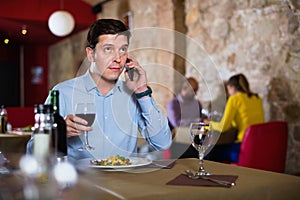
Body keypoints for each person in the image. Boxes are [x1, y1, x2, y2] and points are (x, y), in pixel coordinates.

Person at [27, 19, 172, 163]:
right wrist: (57, 134)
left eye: (122, 49)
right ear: (91, 54)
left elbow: (163, 143)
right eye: (108, 49)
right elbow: (33, 153)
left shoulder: (134, 95)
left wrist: (142, 91)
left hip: (123, 183)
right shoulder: (62, 93)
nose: (117, 59)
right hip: (78, 183)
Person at [207, 73, 265, 162]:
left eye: (228, 90)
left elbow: (223, 127)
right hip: (259, 146)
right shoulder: (257, 98)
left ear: (232, 88)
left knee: (210, 152)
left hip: (243, 146)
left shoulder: (234, 99)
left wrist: (208, 123)